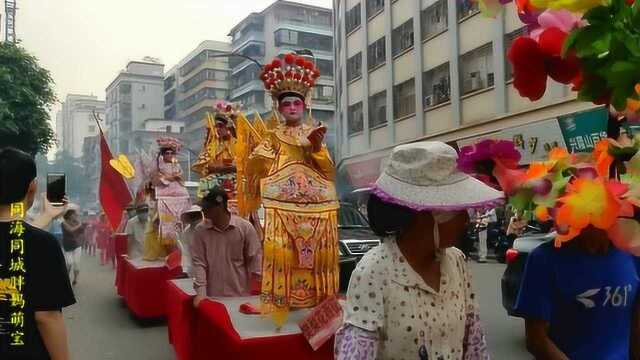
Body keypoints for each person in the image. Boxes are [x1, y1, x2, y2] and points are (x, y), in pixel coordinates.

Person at [335, 141, 502, 360]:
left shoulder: (457, 261)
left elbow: (474, 344)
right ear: (426, 214)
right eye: (459, 210)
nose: (465, 220)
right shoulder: (374, 271)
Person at [236, 53, 339, 326]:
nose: (292, 107)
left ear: (305, 105)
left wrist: (315, 149)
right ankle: (285, 301)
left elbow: (328, 172)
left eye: (297, 102)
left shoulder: (315, 133)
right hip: (282, 204)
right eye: (287, 103)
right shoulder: (272, 135)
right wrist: (264, 157)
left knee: (317, 255)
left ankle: (318, 302)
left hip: (316, 207)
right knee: (283, 252)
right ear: (279, 108)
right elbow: (255, 165)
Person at [0, 147, 76, 360]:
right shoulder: (44, 245)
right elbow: (47, 317)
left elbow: (13, 231)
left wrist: (46, 215)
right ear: (32, 187)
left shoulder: (35, 241)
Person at [191, 187, 261, 307]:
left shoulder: (244, 228)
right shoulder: (200, 231)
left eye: (207, 207)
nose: (203, 210)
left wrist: (261, 290)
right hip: (212, 297)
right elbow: (199, 263)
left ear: (219, 207)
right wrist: (201, 294)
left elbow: (255, 259)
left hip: (240, 296)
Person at [61, 208, 86, 286]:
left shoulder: (77, 222)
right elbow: (71, 230)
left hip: (77, 245)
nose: (76, 216)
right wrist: (79, 225)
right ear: (69, 215)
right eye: (74, 214)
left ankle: (75, 279)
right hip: (67, 246)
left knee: (76, 264)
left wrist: (83, 226)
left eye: (76, 215)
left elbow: (81, 232)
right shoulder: (64, 223)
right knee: (69, 263)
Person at [178, 205, 203, 277]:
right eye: (192, 215)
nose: (194, 217)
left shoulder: (208, 229)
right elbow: (185, 251)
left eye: (196, 215)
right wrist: (185, 269)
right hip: (194, 265)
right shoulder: (187, 231)